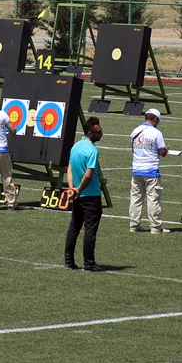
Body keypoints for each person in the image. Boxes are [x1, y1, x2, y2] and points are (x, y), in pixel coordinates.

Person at [65, 116, 105, 271]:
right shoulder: (93, 150)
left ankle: (68, 261)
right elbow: (88, 175)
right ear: (90, 133)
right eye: (99, 132)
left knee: (74, 227)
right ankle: (89, 263)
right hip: (91, 196)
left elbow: (69, 168)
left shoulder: (75, 146)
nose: (101, 134)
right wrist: (79, 189)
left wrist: (72, 188)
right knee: (90, 230)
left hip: (77, 195)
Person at [129, 109, 170, 233]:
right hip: (151, 170)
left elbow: (134, 149)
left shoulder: (135, 131)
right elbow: (162, 152)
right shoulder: (156, 133)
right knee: (153, 199)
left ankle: (134, 225)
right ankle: (156, 227)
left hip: (136, 169)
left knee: (135, 199)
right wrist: (166, 149)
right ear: (155, 119)